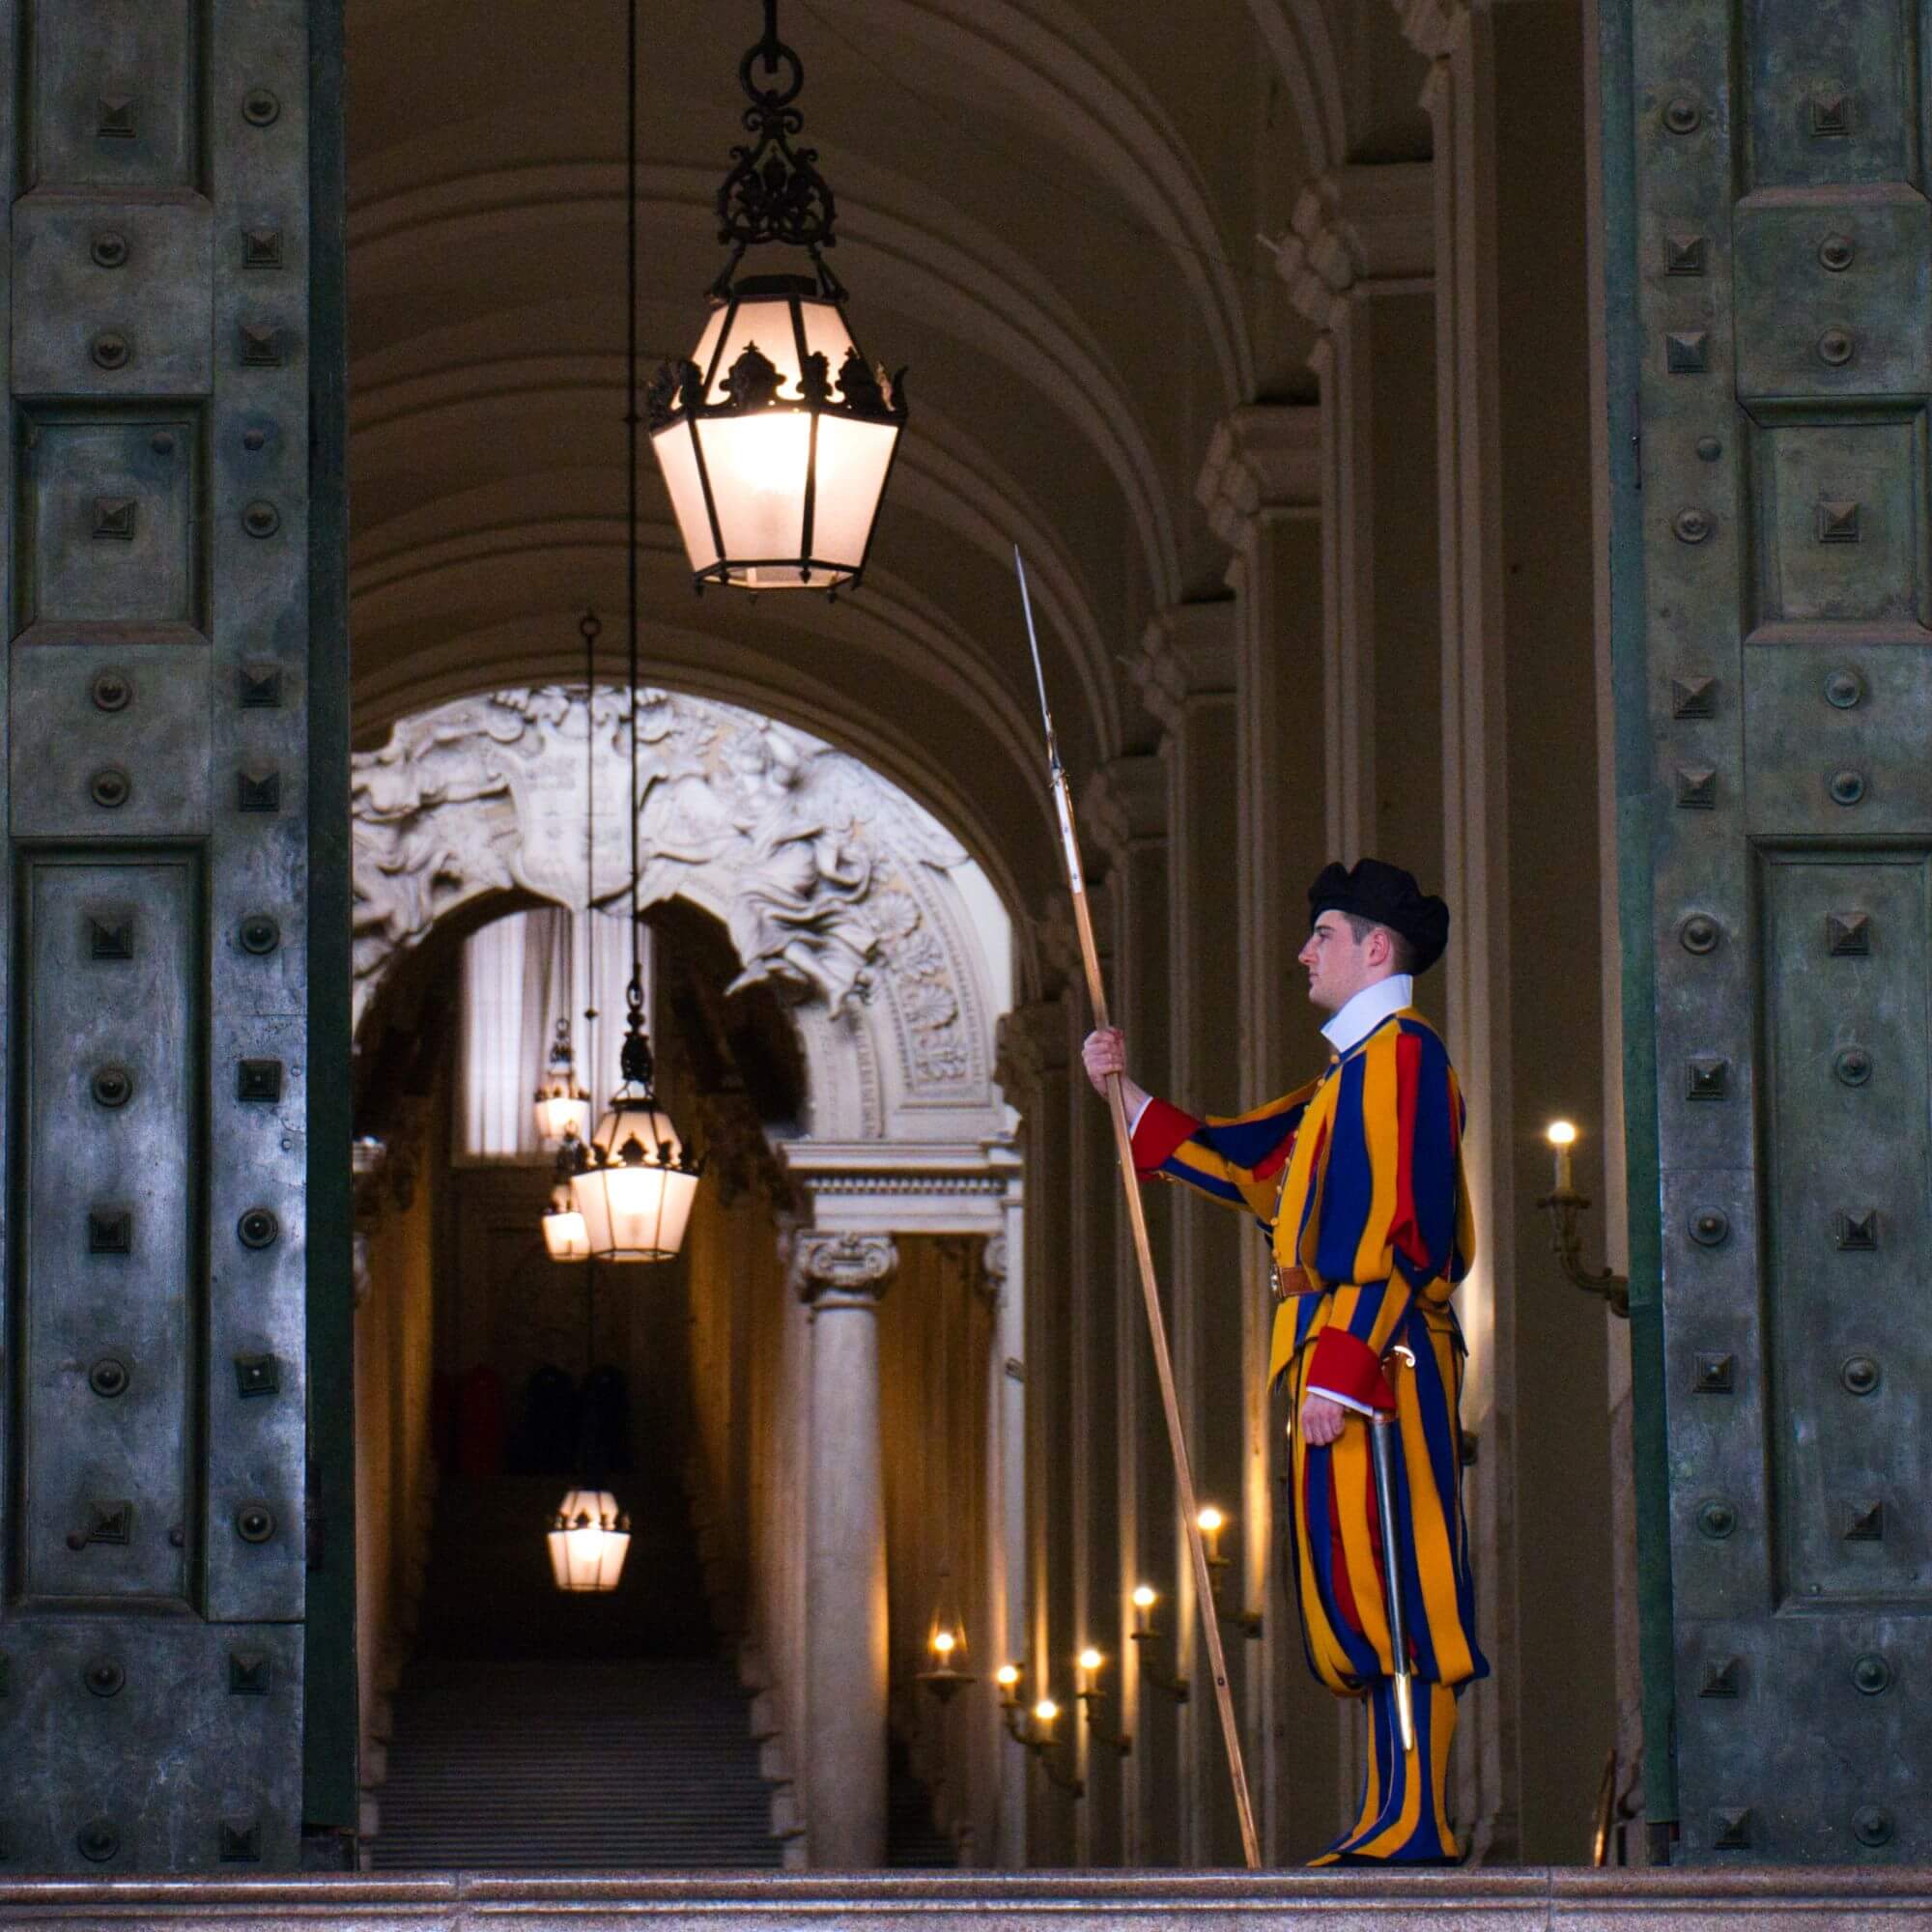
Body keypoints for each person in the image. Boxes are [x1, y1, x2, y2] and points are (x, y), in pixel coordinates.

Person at [1082, 857, 1487, 1866]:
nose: (1303, 952)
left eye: (1322, 935)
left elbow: (1412, 1228)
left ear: (1375, 948)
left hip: (1378, 1356)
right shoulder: (1344, 1077)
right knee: (1354, 1582)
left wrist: (1341, 1367)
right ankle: (1387, 1806)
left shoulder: (1403, 1058)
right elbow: (1248, 1161)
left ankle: (1419, 1815)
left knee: (1401, 1572)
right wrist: (1120, 1090)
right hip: (1339, 1352)